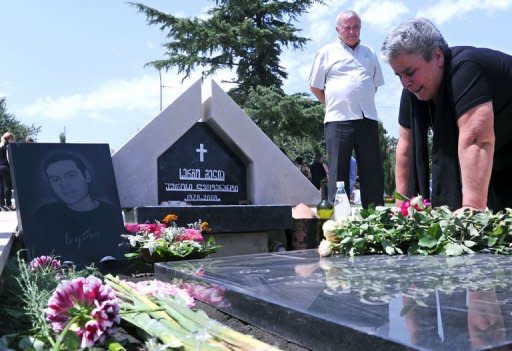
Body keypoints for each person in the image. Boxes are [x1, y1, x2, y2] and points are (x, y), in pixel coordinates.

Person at [381, 18, 512, 211]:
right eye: (398, 75)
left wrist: (471, 211)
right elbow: (406, 149)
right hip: (498, 157)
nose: (405, 82)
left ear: (438, 56)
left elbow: (476, 140)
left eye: (409, 72)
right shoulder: (411, 89)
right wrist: (402, 208)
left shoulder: (467, 69)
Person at [309, 10, 385, 208]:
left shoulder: (370, 53)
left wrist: (358, 96)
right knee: (338, 171)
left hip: (367, 118)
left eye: (356, 27)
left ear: (360, 28)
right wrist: (335, 103)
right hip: (338, 119)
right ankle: (339, 217)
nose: (352, 31)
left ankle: (375, 215)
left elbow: (374, 84)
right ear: (338, 30)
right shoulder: (326, 52)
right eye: (347, 28)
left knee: (372, 170)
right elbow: (315, 86)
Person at [32, 151, 123, 264]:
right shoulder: (45, 216)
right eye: (55, 179)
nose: (64, 185)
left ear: (87, 176)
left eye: (71, 175)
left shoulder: (110, 213)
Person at [0, 132, 15, 210]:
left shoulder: (0, 145)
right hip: (5, 167)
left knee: (1, 187)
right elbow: (8, 158)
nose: (12, 141)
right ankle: (8, 204)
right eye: (12, 139)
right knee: (7, 186)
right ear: (9, 138)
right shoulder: (7, 146)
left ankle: (1, 204)